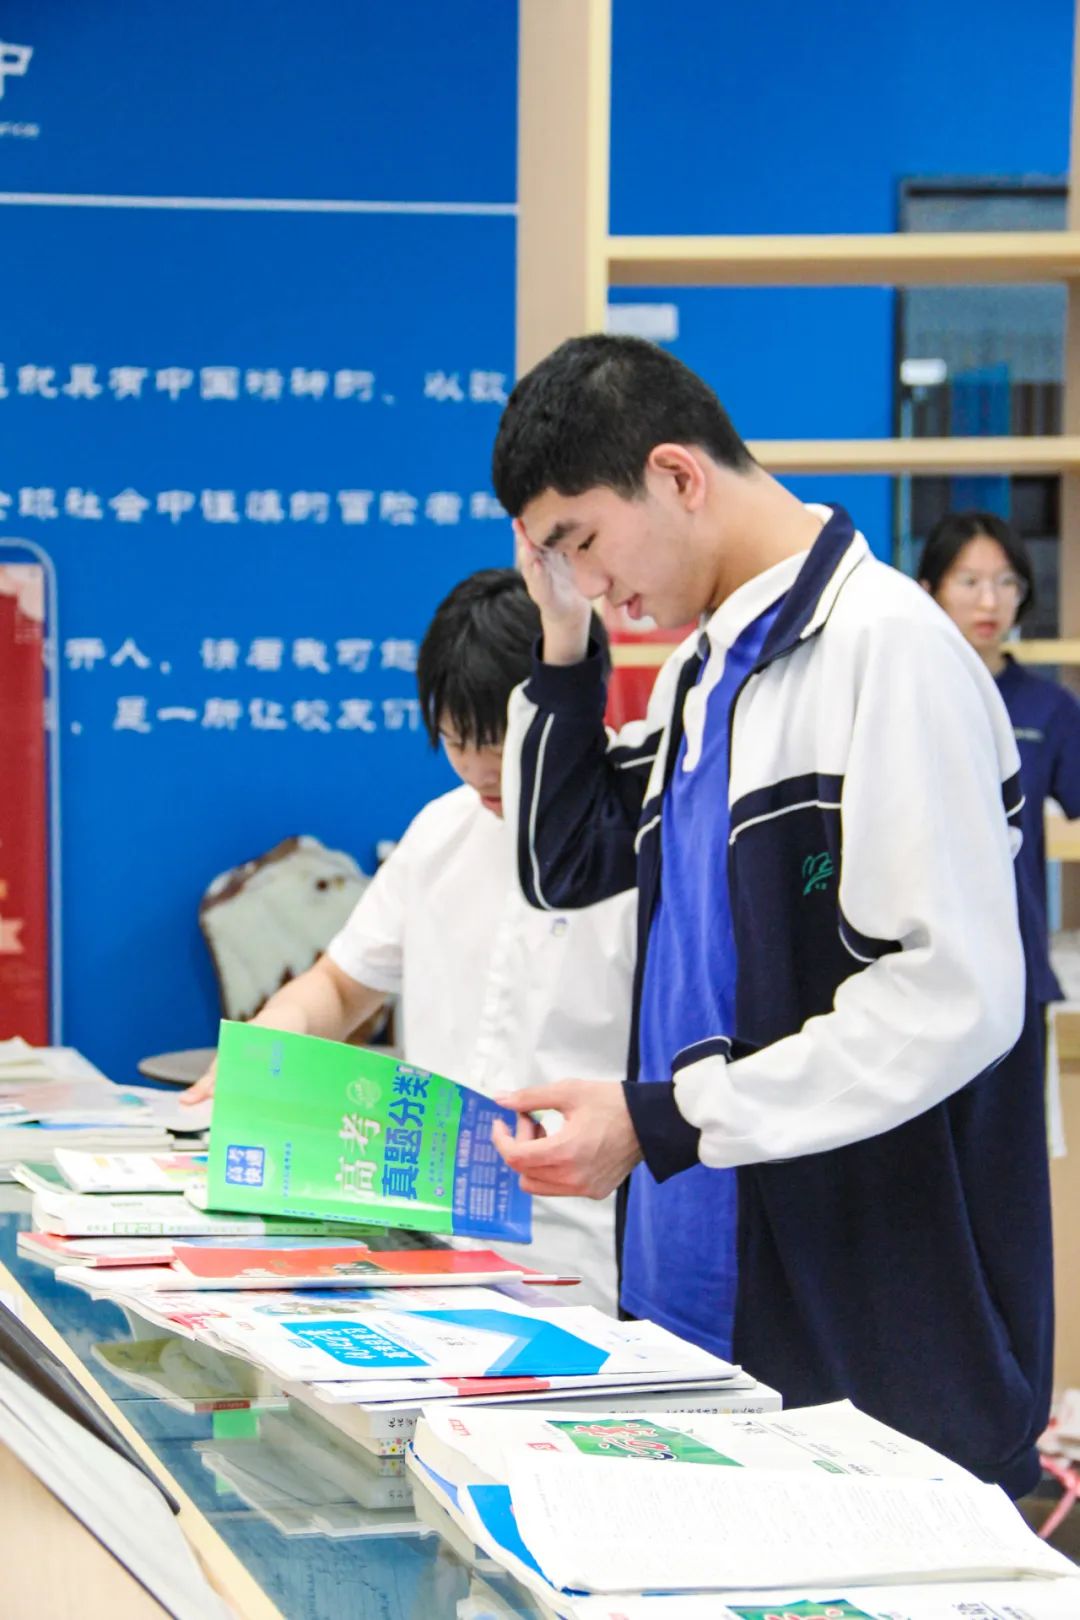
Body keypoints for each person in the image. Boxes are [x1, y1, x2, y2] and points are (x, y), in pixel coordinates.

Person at [486, 333, 1051, 1495]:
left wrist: (666, 1118)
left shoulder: (888, 651)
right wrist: (563, 633)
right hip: (703, 1298)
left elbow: (950, 999)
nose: (585, 579)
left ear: (677, 475)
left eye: (581, 541)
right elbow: (562, 859)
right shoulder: (707, 670)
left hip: (875, 1339)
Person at [181, 568, 635, 1312]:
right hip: (427, 1248)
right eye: (456, 739)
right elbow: (340, 987)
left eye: (500, 741)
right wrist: (269, 1043)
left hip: (593, 1254)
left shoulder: (645, 836)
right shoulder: (440, 831)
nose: (478, 768)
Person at [919, 510, 1080, 1010]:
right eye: (969, 582)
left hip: (1017, 962)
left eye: (1007, 582)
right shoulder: (901, 696)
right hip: (917, 965)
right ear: (929, 590)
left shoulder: (1049, 707)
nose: (990, 601)